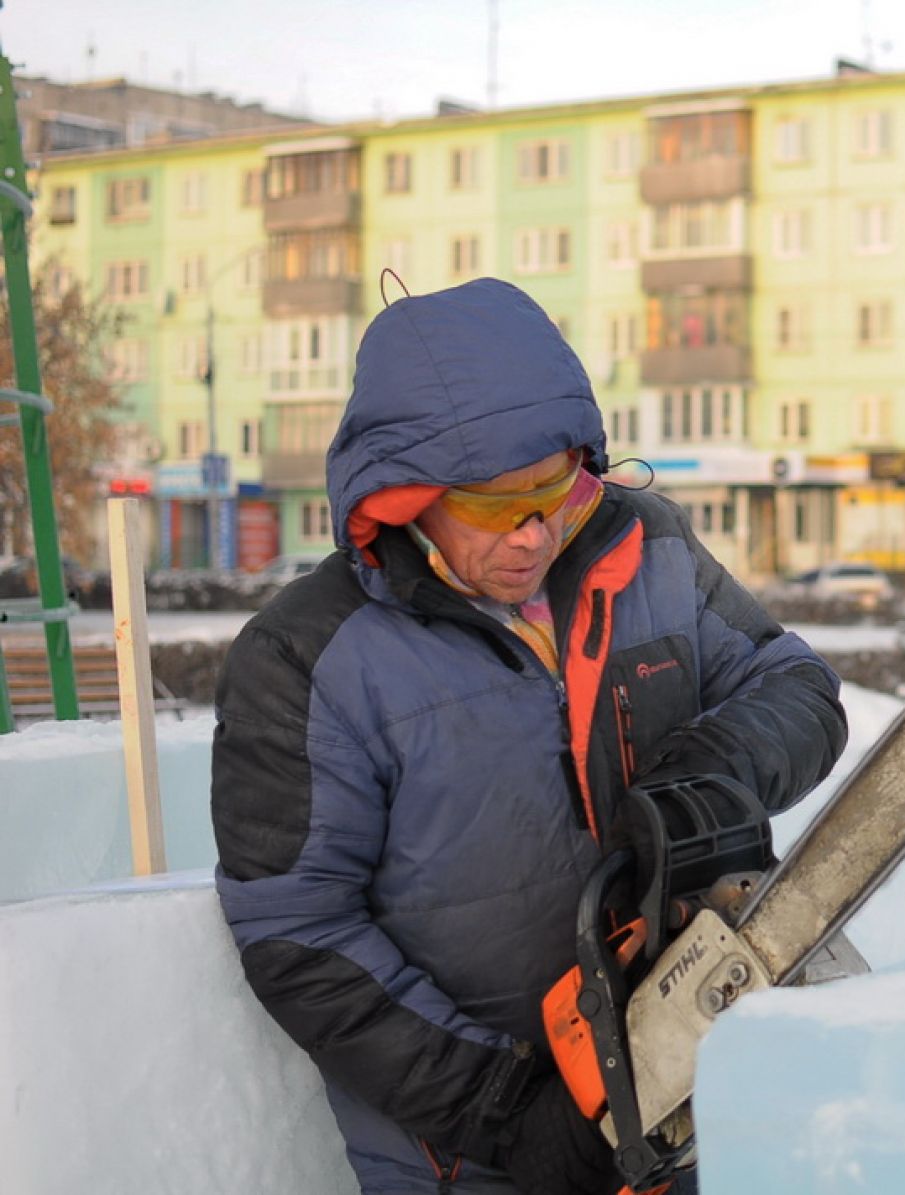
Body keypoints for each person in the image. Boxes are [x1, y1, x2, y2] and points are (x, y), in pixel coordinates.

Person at [211, 278, 848, 1194]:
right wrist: (508, 1111)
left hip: (693, 1092)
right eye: (493, 506)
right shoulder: (307, 659)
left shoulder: (648, 549)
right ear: (403, 498)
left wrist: (720, 766)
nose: (535, 533)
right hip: (467, 1153)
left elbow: (796, 687)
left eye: (555, 488)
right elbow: (299, 931)